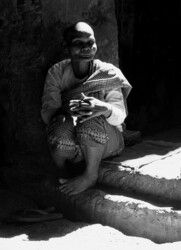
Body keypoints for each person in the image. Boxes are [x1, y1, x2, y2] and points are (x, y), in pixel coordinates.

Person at [41, 21, 132, 195]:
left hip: (107, 143)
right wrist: (72, 111)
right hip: (74, 144)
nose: (86, 48)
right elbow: (48, 112)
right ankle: (63, 173)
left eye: (90, 43)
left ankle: (90, 175)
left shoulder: (108, 72)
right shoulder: (57, 72)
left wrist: (102, 108)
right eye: (78, 44)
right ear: (66, 46)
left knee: (90, 116)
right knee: (59, 122)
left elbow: (120, 116)